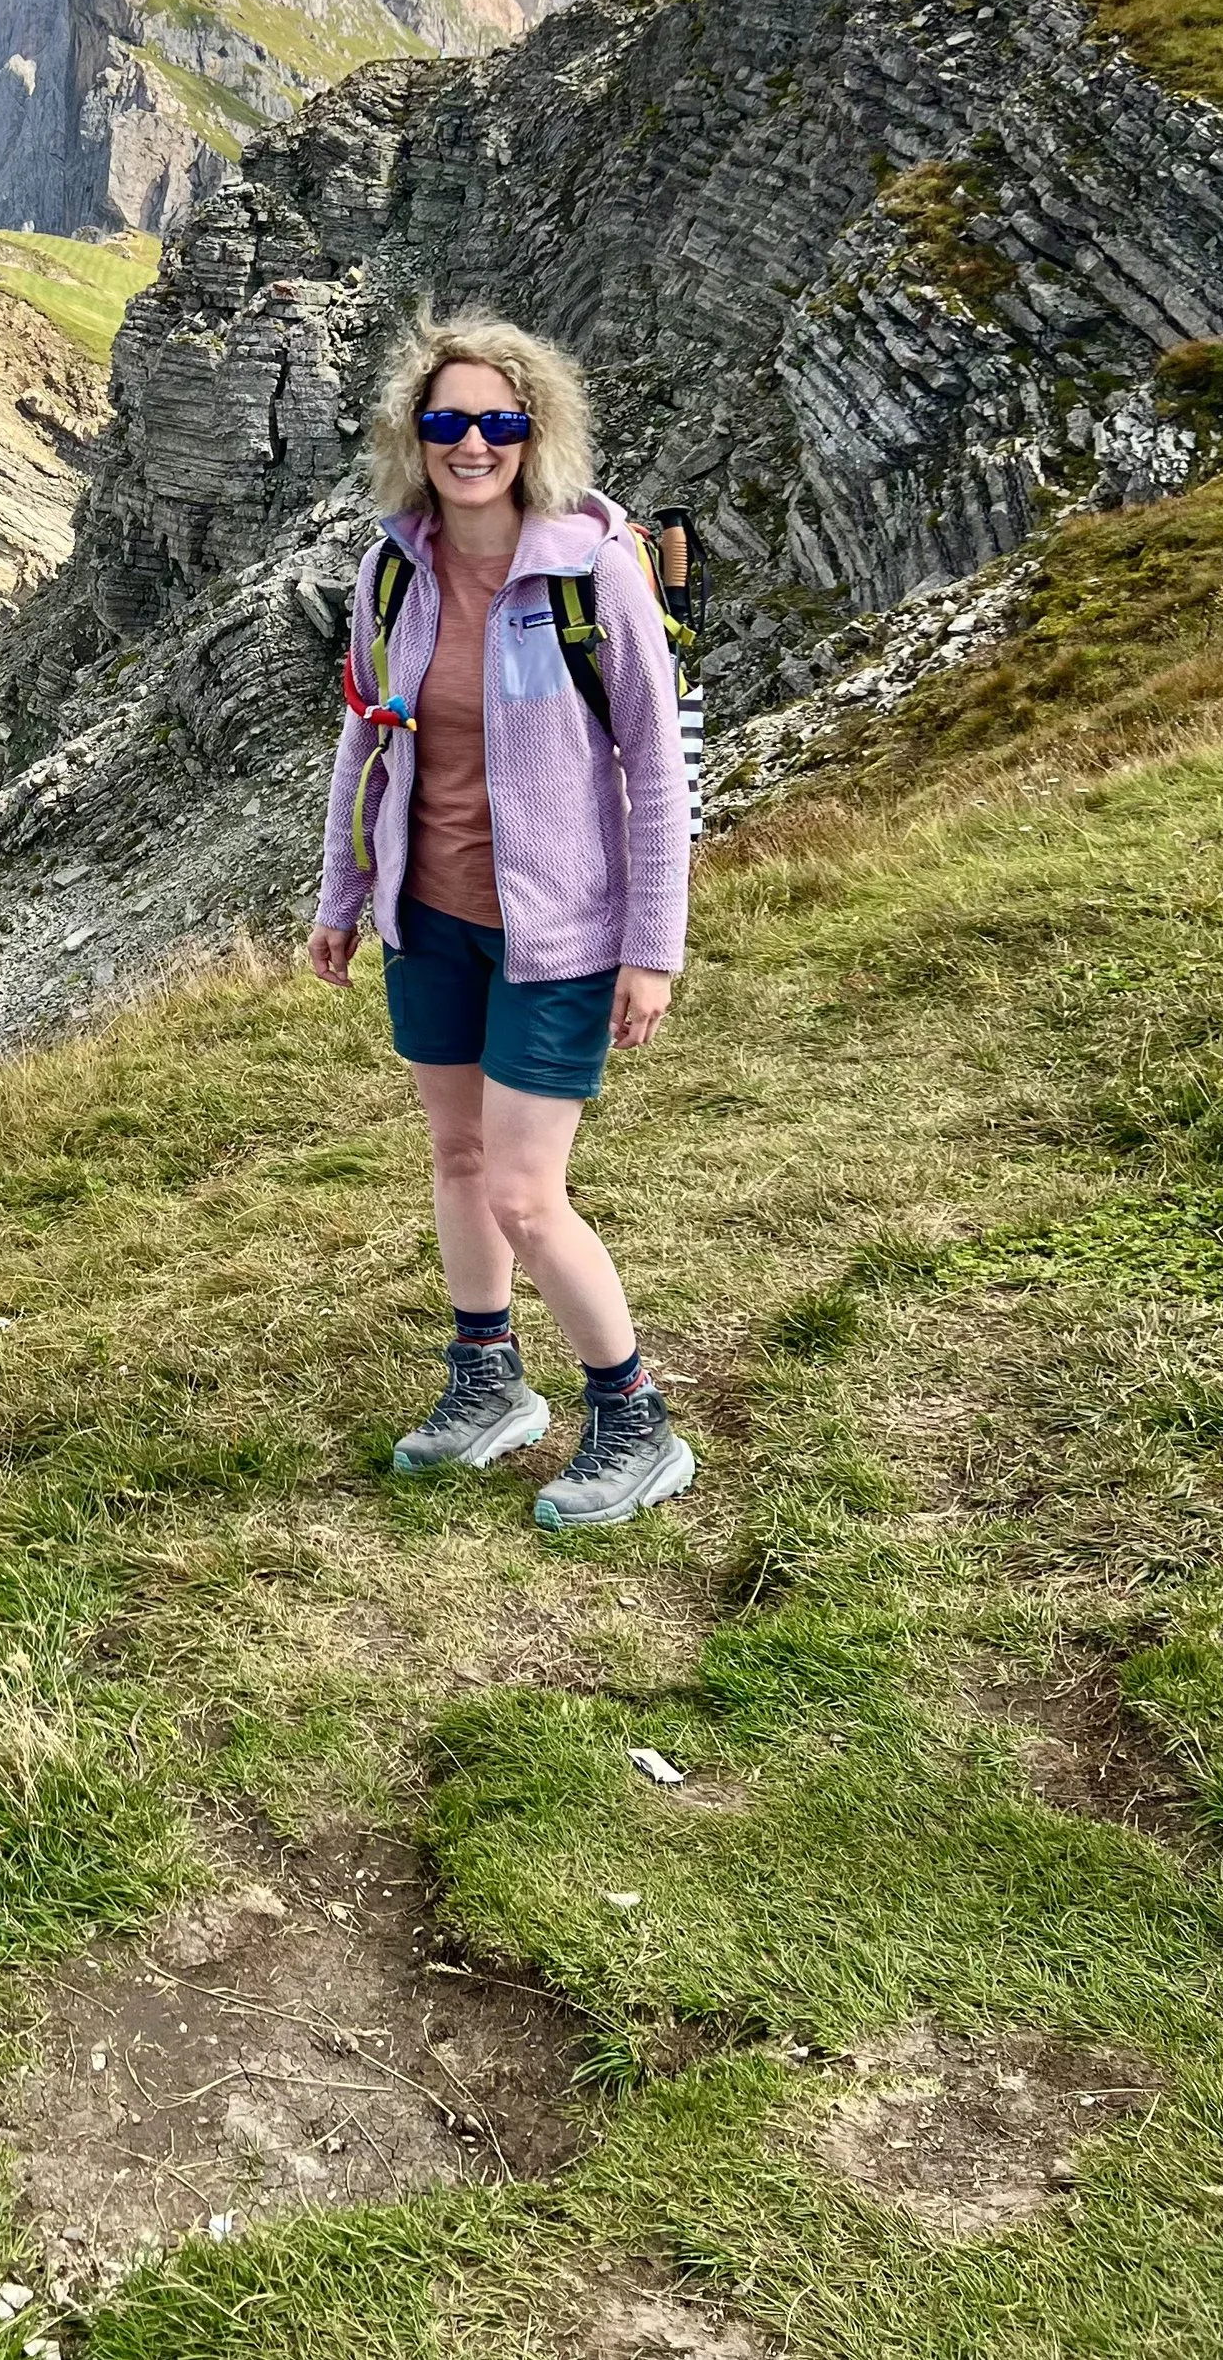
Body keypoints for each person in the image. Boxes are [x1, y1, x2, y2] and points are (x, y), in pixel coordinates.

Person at [305, 309, 695, 1531]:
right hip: (432, 918)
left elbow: (656, 770)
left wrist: (651, 950)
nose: (470, 443)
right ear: (412, 438)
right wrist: (342, 897)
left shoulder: (590, 572)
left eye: (497, 422)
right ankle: (487, 1382)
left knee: (526, 1193)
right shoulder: (393, 571)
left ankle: (633, 1418)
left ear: (534, 434)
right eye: (446, 422)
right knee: (456, 1157)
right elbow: (365, 739)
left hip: (561, 934)